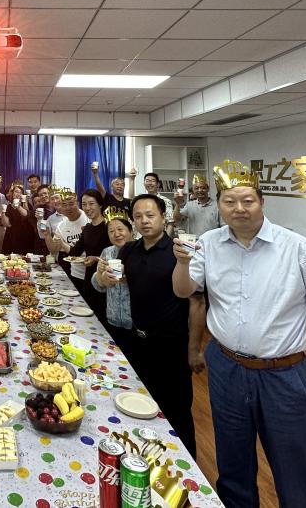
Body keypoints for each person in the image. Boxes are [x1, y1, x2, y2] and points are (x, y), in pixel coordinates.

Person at [172, 161, 306, 508]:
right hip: (226, 367)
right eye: (230, 201)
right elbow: (183, 290)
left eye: (247, 200)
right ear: (219, 206)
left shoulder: (297, 248)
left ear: (262, 202)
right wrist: (182, 262)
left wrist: (285, 347)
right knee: (232, 463)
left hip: (284, 375)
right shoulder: (208, 243)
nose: (239, 208)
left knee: (292, 467)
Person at [95, 193, 205, 459]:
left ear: (163, 217)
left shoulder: (178, 251)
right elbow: (115, 282)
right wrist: (104, 277)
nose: (144, 221)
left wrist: (194, 349)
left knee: (176, 411)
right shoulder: (129, 250)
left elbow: (197, 303)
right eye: (138, 216)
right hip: (136, 341)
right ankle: (144, 458)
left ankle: (186, 467)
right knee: (138, 403)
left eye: (150, 215)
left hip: (170, 344)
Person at [91, 208, 137, 356]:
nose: (116, 234)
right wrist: (100, 275)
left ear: (131, 230)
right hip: (112, 319)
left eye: (120, 229)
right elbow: (98, 286)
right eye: (111, 231)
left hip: (135, 324)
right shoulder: (107, 252)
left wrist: (129, 278)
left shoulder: (141, 251)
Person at [76, 189, 108, 319]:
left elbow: (117, 256)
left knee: (101, 319)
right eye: (84, 204)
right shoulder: (87, 228)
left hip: (105, 281)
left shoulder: (109, 227)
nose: (87, 208)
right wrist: (57, 240)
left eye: (91, 203)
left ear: (100, 204)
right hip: (88, 279)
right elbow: (75, 252)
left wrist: (96, 258)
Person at [45, 188, 88, 271]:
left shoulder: (88, 218)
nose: (68, 208)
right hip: (74, 270)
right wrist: (47, 235)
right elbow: (54, 250)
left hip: (92, 268)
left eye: (71, 204)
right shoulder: (61, 226)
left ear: (78, 204)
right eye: (64, 205)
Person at [4, 182, 32, 254]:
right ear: (12, 194)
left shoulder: (26, 204)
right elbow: (7, 224)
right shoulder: (9, 206)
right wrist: (2, 214)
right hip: (12, 235)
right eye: (16, 191)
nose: (18, 194)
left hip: (24, 235)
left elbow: (26, 215)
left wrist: (18, 206)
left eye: (20, 192)